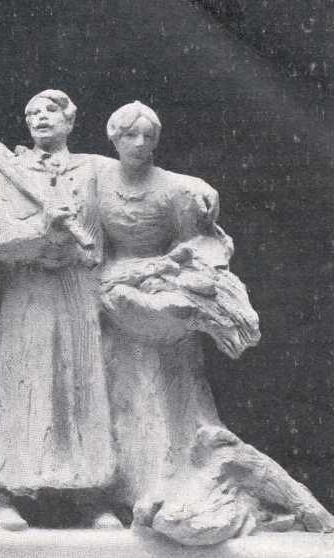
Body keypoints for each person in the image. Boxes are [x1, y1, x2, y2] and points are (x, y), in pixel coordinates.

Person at [97, 101, 260, 510]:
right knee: (121, 393)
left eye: (148, 136)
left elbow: (198, 246)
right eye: (130, 135)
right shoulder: (96, 177)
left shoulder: (174, 190)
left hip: (160, 294)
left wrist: (169, 279)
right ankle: (117, 492)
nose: (140, 143)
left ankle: (172, 485)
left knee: (170, 393)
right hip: (112, 295)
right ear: (114, 138)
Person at [0, 90, 117, 530]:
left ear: (70, 120)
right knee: (24, 385)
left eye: (49, 111)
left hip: (76, 289)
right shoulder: (9, 174)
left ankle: (90, 493)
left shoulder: (93, 169)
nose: (40, 118)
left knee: (81, 383)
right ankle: (8, 492)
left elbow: (120, 216)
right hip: (27, 289)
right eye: (31, 113)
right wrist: (38, 230)